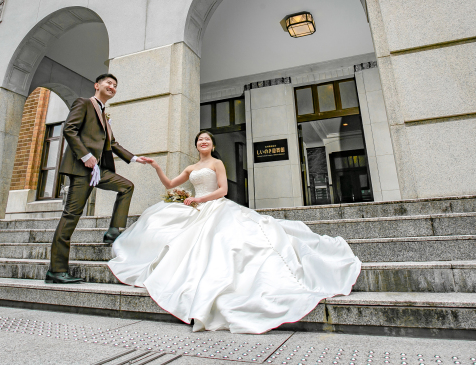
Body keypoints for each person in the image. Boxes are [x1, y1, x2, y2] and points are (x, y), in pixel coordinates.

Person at [108, 130, 362, 334]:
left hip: (215, 206)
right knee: (161, 221)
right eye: (200, 140)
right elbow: (170, 184)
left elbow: (223, 190)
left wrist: (199, 199)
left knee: (227, 240)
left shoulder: (217, 163)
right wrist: (156, 167)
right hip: (196, 209)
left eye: (207, 139)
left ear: (212, 144)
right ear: (196, 145)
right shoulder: (191, 167)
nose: (203, 142)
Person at [46, 73, 146, 284]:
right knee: (71, 217)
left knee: (126, 186)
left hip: (98, 171)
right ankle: (56, 270)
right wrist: (85, 155)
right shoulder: (83, 103)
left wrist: (135, 158)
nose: (112, 86)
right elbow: (69, 129)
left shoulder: (104, 114)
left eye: (115, 85)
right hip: (81, 169)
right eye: (109, 83)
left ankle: (113, 231)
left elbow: (113, 143)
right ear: (97, 85)